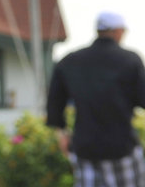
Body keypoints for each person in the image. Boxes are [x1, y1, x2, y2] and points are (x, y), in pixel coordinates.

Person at [46, 11, 145, 187]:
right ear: (118, 31)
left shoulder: (70, 61)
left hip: (85, 147)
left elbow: (55, 103)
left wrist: (62, 133)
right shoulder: (130, 60)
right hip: (121, 145)